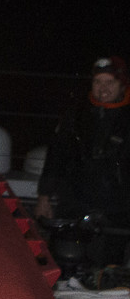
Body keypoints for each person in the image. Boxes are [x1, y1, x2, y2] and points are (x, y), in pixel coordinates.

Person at [36, 57, 130, 267]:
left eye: (110, 82)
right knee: (64, 260)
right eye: (98, 82)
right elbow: (56, 156)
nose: (103, 89)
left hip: (117, 210)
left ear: (122, 85)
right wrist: (44, 196)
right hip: (74, 204)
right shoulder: (76, 114)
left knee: (107, 266)